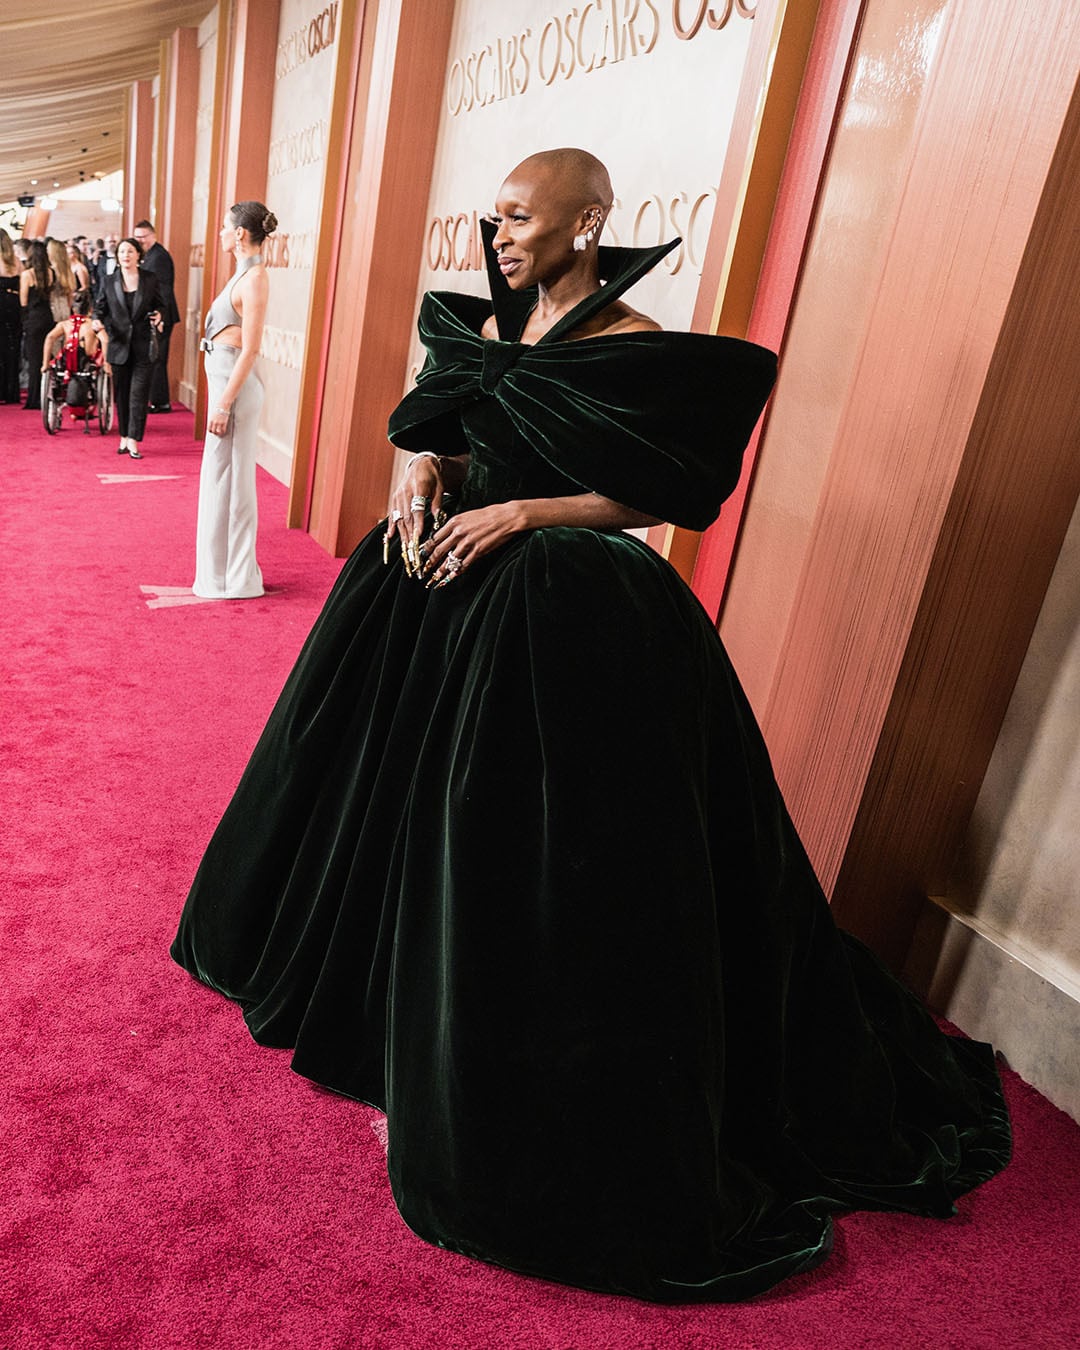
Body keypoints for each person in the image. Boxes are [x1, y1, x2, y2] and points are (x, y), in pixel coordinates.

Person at [171, 150, 1010, 1303]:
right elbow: (439, 429)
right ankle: (376, 1007)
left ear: (590, 222)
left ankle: (507, 1071)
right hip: (433, 597)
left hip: (559, 622)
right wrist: (423, 476)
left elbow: (665, 496)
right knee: (384, 806)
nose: (500, 231)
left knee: (531, 857)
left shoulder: (633, 346)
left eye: (521, 215)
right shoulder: (491, 327)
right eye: (495, 213)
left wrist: (524, 511)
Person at [191, 201, 274, 599]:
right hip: (224, 384)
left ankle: (233, 579)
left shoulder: (255, 278)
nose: (221, 233)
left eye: (226, 227)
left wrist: (224, 404)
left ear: (240, 233)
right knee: (219, 481)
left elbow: (251, 349)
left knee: (233, 483)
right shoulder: (241, 275)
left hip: (235, 392)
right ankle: (222, 575)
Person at [94, 237, 163, 458]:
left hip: (144, 344)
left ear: (138, 256)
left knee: (138, 394)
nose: (126, 255)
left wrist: (160, 315)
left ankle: (133, 439)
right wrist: (96, 321)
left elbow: (162, 305)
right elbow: (100, 308)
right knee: (122, 395)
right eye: (122, 252)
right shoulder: (108, 280)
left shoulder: (150, 279)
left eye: (130, 251)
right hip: (118, 345)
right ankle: (123, 435)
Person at [133, 219, 180, 412]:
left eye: (143, 237)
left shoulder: (158, 257)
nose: (140, 241)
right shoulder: (149, 255)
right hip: (157, 314)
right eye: (137, 237)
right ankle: (157, 399)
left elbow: (164, 290)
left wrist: (159, 314)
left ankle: (161, 401)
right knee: (154, 358)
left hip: (162, 316)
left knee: (158, 358)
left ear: (153, 236)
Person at [19, 241, 56, 410]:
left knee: (34, 360)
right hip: (47, 317)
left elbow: (23, 301)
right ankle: (45, 395)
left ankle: (34, 398)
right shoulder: (51, 273)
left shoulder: (27, 274)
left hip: (33, 318)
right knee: (45, 358)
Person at [0, 229, 21, 403]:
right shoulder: (17, 261)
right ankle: (11, 392)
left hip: (0, 304)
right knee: (12, 348)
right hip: (14, 304)